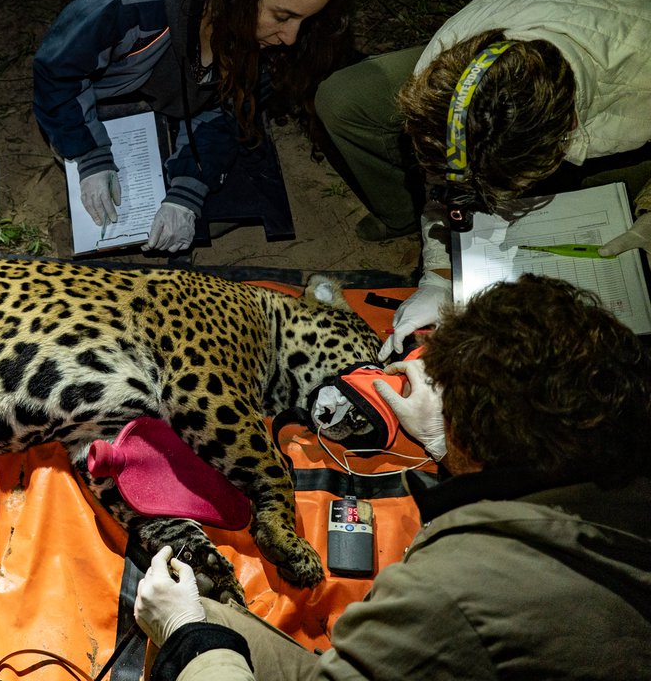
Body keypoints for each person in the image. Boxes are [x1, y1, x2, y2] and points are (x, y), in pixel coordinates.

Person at [133, 274, 651, 680]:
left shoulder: (446, 592)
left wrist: (186, 635)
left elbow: (460, 601)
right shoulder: (629, 465)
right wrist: (445, 444)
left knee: (203, 626)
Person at [312, 0, 651, 358]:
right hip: (568, 8)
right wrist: (437, 276)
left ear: (569, 131)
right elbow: (448, 173)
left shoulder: (641, 77)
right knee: (346, 100)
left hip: (628, 55)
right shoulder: (448, 70)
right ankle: (400, 215)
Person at [33, 0, 353, 254]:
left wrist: (188, 189)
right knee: (105, 213)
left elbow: (229, 110)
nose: (291, 38)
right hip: (108, 98)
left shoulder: (274, 39)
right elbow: (56, 71)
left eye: (304, 21)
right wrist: (89, 153)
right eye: (282, 17)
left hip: (178, 103)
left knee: (210, 209)